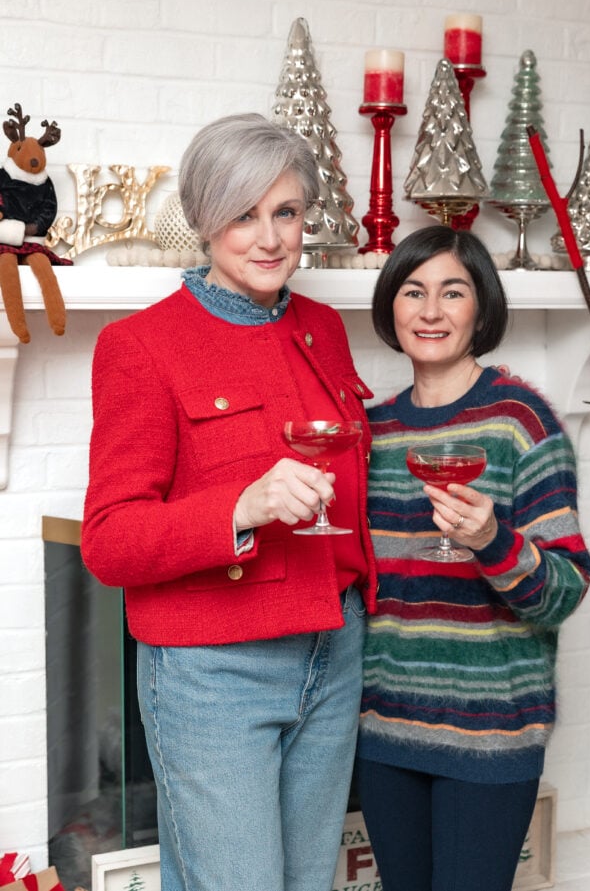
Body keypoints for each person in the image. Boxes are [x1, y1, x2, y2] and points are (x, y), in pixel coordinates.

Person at [80, 113, 377, 891]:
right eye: (244, 214)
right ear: (206, 218)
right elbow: (108, 541)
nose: (270, 237)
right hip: (214, 669)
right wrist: (240, 506)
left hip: (331, 649)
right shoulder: (141, 345)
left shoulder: (321, 327)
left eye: (285, 212)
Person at [355, 225, 590, 891]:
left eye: (451, 291)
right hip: (386, 729)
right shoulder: (372, 434)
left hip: (489, 733)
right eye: (412, 291)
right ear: (390, 308)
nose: (430, 311)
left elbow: (564, 589)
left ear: (480, 309)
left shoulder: (520, 421)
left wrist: (491, 541)